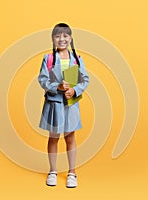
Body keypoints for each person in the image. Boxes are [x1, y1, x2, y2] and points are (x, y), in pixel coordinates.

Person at [38, 23, 89, 188]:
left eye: (65, 36)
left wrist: (75, 90)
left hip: (70, 105)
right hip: (54, 104)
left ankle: (72, 173)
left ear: (71, 38)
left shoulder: (77, 59)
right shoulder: (49, 58)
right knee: (54, 137)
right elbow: (43, 80)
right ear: (53, 39)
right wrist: (57, 87)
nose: (62, 39)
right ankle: (52, 171)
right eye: (58, 36)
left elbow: (84, 80)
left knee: (70, 137)